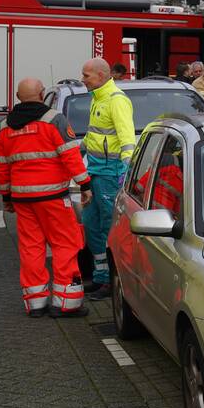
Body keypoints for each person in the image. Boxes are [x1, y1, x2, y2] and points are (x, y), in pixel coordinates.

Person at [0, 78, 93, 317]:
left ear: (18, 96)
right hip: (54, 198)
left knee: (31, 248)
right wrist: (85, 184)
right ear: (41, 93)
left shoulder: (4, 127)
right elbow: (70, 156)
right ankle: (66, 304)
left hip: (22, 200)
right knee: (65, 245)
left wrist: (6, 196)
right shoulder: (54, 120)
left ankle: (36, 303)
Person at [80, 58, 135, 300]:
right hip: (95, 172)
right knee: (91, 225)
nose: (83, 80)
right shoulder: (98, 99)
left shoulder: (116, 100)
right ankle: (100, 276)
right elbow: (95, 136)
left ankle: (110, 281)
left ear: (101, 76)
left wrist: (125, 168)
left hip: (110, 174)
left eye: (86, 75)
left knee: (106, 227)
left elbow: (126, 138)